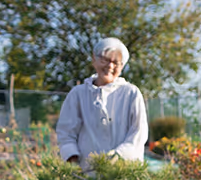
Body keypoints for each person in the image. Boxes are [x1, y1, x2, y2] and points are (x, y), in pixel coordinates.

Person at [56, 37, 148, 172]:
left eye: (116, 62)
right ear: (94, 60)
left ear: (121, 67)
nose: (110, 66)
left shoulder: (131, 93)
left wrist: (119, 155)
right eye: (105, 60)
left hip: (122, 172)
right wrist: (72, 158)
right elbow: (66, 132)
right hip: (86, 172)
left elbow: (139, 132)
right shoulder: (78, 94)